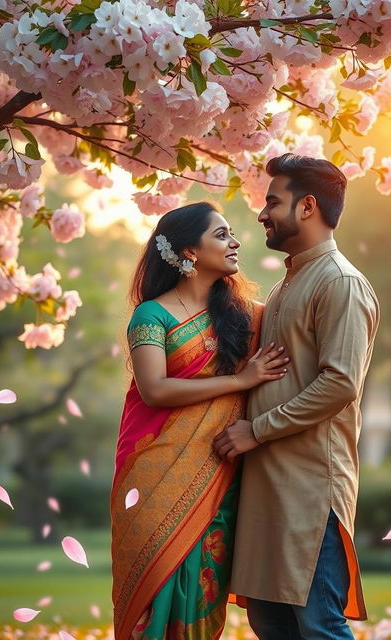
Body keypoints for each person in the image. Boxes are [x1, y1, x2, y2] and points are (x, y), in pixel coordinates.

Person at [214, 154, 380, 639]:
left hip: (310, 492)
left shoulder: (340, 283)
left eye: (273, 201)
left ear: (307, 207)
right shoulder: (292, 281)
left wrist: (256, 431)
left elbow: (340, 383)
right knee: (271, 624)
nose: (262, 213)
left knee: (318, 626)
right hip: (269, 487)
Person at [110, 201, 289, 640]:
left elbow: (298, 324)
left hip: (218, 474)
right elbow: (155, 389)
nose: (235, 242)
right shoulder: (151, 315)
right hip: (153, 474)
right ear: (190, 251)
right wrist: (241, 381)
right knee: (156, 594)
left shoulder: (246, 315)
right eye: (222, 234)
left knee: (202, 588)